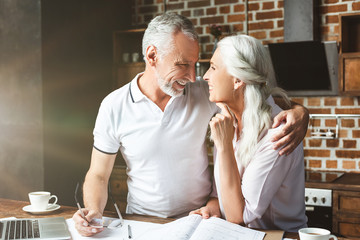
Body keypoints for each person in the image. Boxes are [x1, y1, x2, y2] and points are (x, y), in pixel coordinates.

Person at [73, 13, 309, 236]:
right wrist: (94, 210)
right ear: (152, 56)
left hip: (202, 219)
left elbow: (254, 94)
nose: (193, 76)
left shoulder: (202, 93)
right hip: (144, 221)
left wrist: (299, 112)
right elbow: (98, 174)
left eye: (196, 64)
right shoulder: (113, 105)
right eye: (183, 64)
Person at [190, 34, 307, 232]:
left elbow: (239, 217)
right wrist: (211, 208)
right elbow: (222, 194)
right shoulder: (229, 120)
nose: (206, 76)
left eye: (213, 67)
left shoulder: (278, 133)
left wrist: (224, 145)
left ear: (238, 80)